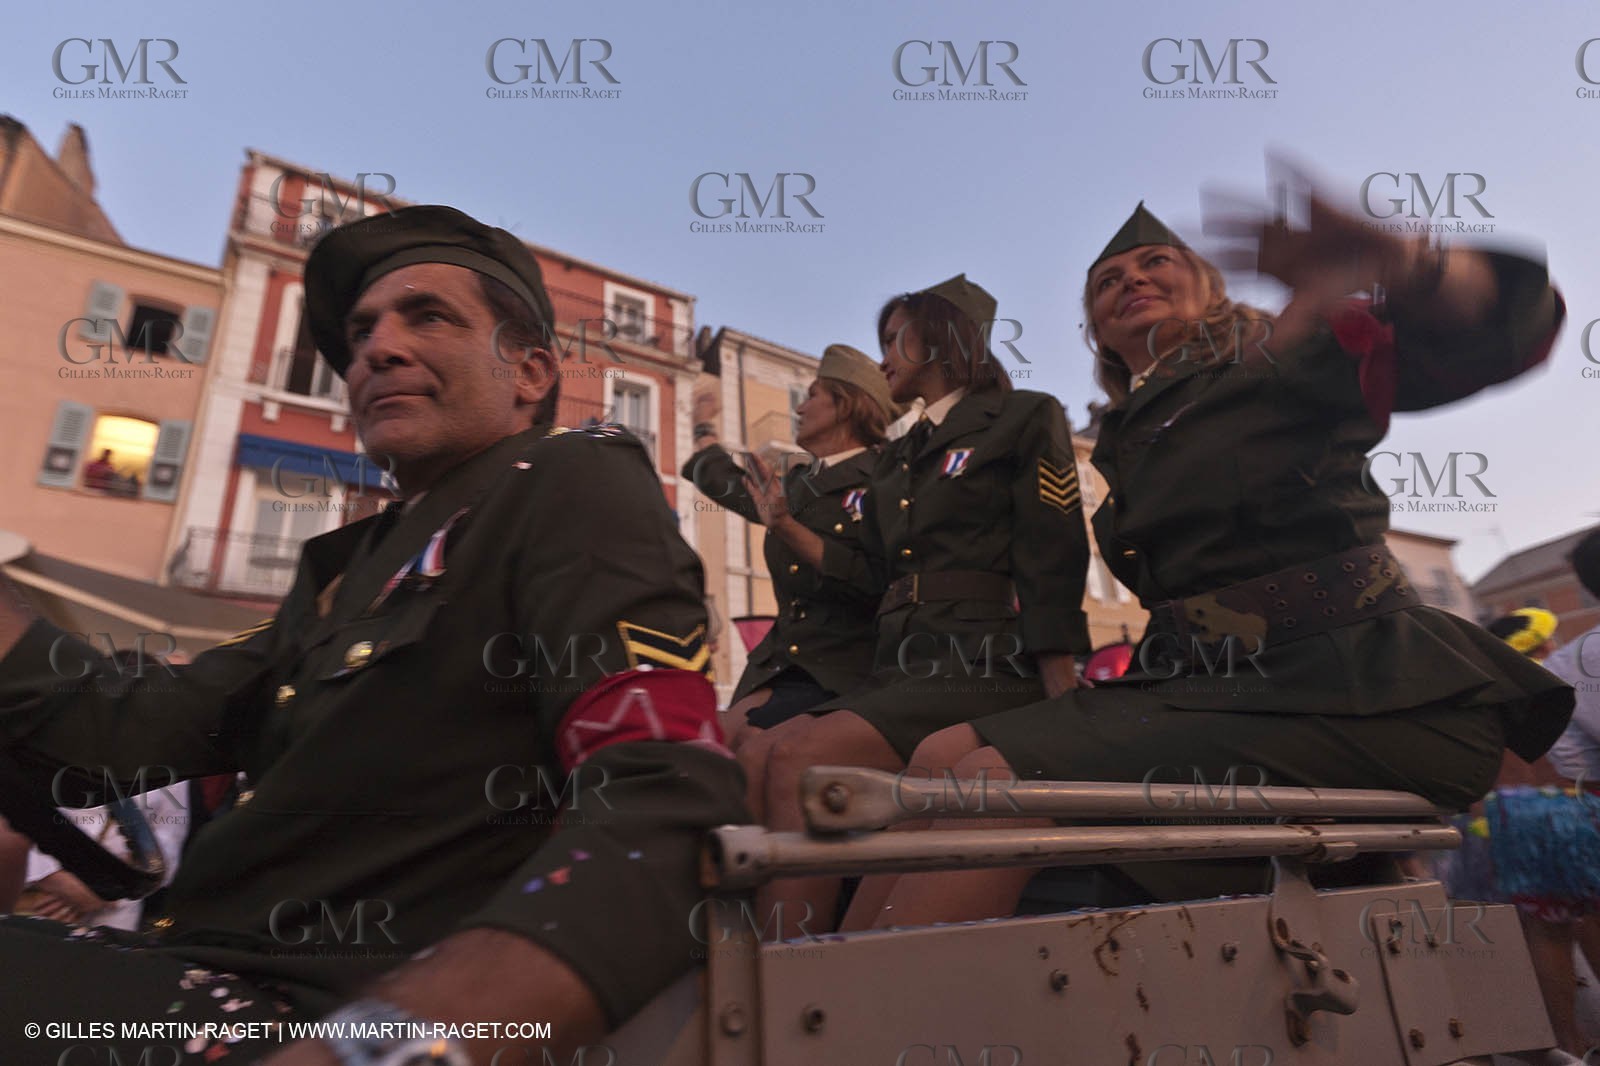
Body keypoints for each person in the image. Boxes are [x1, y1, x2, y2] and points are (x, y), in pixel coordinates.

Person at [0, 205, 746, 1066]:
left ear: (532, 371)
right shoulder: (349, 575)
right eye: (358, 335)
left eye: (427, 315)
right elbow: (115, 730)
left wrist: (379, 1050)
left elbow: (666, 806)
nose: (375, 351)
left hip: (297, 1019)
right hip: (173, 981)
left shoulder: (569, 484)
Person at [841, 190, 1576, 932]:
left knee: (993, 786)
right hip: (1211, 692)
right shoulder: (1132, 430)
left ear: (1212, 287)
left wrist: (1410, 265)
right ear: (1094, 328)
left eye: (1156, 261)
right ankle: (826, 990)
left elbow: (1503, 333)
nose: (1130, 280)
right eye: (1107, 280)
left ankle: (867, 1027)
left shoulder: (1277, 353)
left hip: (1361, 688)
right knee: (941, 759)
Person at [739, 274, 1092, 934]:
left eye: (894, 339)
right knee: (764, 750)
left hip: (979, 661)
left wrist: (1060, 684)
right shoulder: (899, 452)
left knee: (797, 759)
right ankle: (765, 953)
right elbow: (866, 571)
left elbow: (1053, 547)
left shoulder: (1021, 418)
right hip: (898, 667)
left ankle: (788, 977)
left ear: (942, 337)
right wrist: (785, 523)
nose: (883, 359)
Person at [682, 345, 900, 748]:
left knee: (738, 751)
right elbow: (719, 477)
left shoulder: (887, 479)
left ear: (846, 406)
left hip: (842, 674)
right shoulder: (799, 484)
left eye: (812, 396)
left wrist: (785, 526)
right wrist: (702, 426)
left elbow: (876, 582)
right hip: (777, 667)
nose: (800, 409)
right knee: (703, 746)